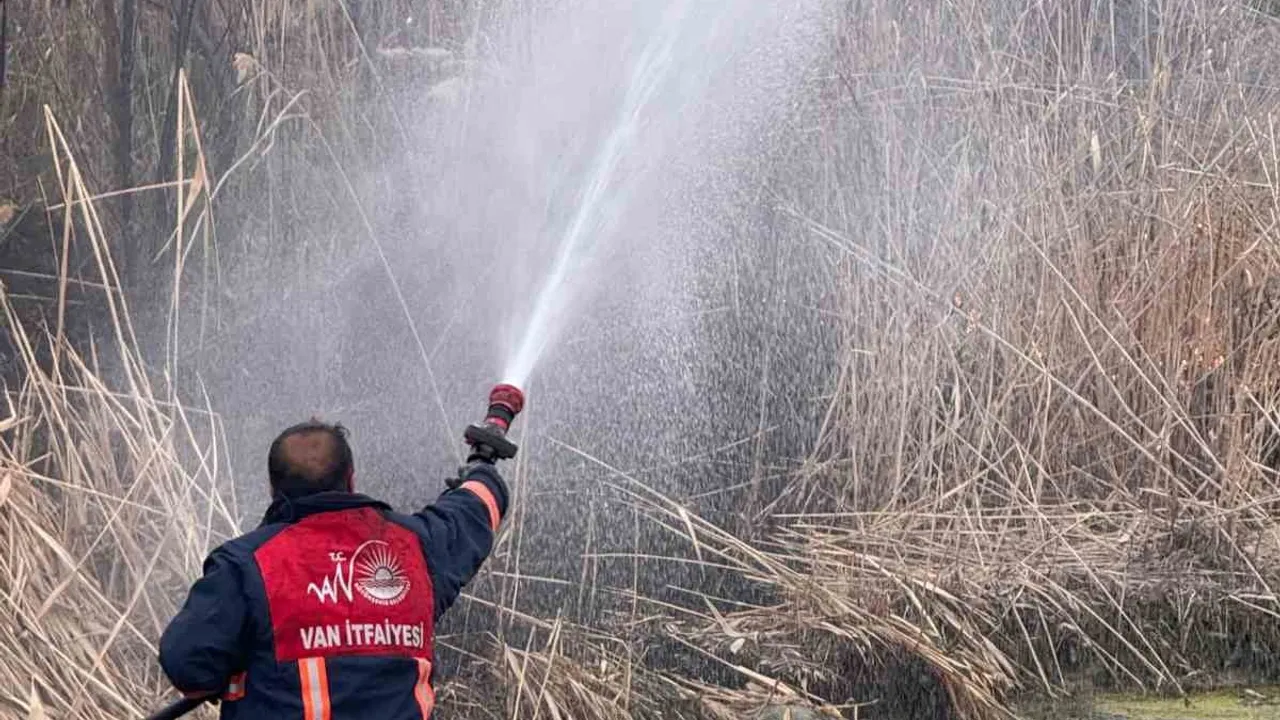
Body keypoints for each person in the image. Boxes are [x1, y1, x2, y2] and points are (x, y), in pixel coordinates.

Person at [157, 415, 511, 719]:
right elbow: (475, 508)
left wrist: (238, 667)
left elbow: (187, 666)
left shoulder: (246, 566)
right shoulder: (418, 547)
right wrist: (482, 468)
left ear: (273, 489)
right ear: (352, 479)